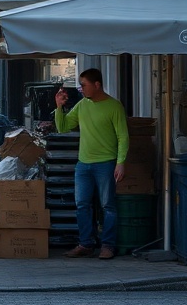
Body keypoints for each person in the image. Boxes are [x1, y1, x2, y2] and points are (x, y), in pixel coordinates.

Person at [54, 68, 129, 260]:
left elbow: (123, 136)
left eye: (84, 85)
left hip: (106, 163)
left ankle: (108, 245)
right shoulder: (82, 105)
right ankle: (86, 244)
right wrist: (59, 107)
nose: (81, 89)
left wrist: (120, 162)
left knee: (108, 206)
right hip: (83, 164)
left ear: (97, 85)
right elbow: (63, 127)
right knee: (82, 205)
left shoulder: (114, 106)